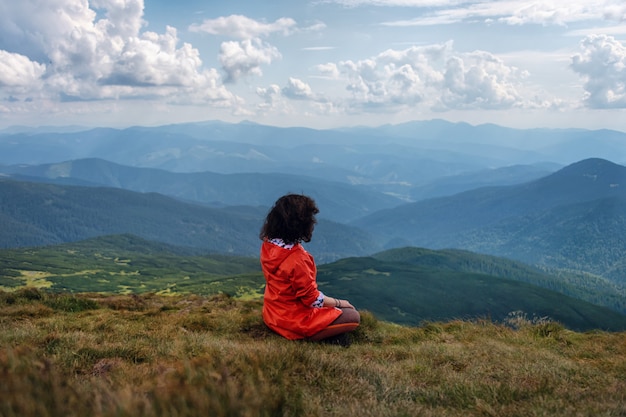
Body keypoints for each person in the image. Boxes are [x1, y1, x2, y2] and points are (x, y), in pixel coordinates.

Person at [259, 193, 360, 344]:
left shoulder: (269, 245)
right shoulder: (297, 259)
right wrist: (340, 302)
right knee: (352, 316)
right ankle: (307, 337)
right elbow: (312, 300)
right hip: (293, 321)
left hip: (273, 314)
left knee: (338, 312)